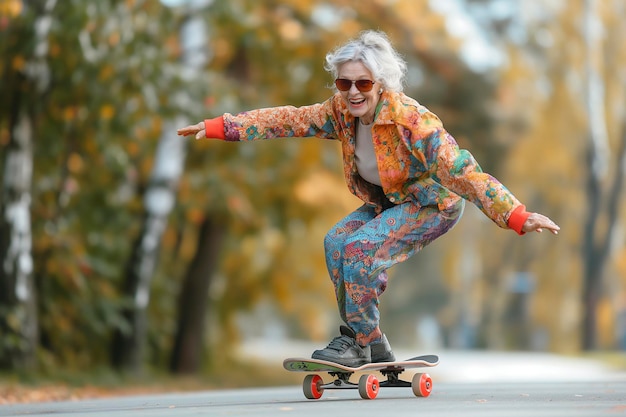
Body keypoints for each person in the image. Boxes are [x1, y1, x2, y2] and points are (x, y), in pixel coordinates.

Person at [177, 30, 560, 367]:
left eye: (364, 84)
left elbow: (460, 169)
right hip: (389, 204)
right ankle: (370, 342)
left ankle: (358, 343)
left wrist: (514, 214)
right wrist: (218, 127)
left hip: (432, 206)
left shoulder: (412, 122)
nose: (354, 93)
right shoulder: (339, 113)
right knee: (336, 243)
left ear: (381, 84)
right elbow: (285, 119)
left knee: (360, 249)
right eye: (345, 84)